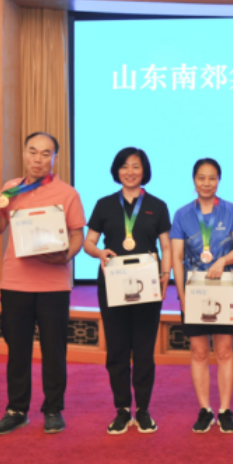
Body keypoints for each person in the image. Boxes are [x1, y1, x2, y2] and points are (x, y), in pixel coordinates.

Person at [0, 132, 86, 436]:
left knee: (54, 350)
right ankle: (16, 410)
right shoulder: (11, 189)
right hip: (15, 282)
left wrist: (65, 256)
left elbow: (77, 235)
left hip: (54, 285)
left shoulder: (67, 193)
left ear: (55, 158)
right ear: (24, 154)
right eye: (33, 152)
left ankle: (53, 409)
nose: (38, 159)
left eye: (45, 153)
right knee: (17, 350)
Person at [83, 147, 172, 435]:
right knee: (118, 349)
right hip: (113, 284)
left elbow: (166, 246)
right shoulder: (104, 204)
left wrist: (165, 276)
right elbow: (88, 243)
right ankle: (122, 409)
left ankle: (143, 409)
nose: (130, 171)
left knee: (144, 351)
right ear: (116, 171)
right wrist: (99, 252)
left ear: (144, 171)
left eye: (136, 166)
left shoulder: (157, 205)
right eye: (124, 166)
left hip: (147, 285)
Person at [171, 158, 233, 434]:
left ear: (219, 180)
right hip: (195, 290)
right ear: (194, 181)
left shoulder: (232, 210)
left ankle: (225, 410)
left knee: (225, 351)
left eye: (212, 177)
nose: (206, 183)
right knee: (199, 352)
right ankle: (205, 409)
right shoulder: (182, 214)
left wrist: (222, 260)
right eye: (201, 177)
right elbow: (177, 257)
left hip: (226, 288)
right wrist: (182, 296)